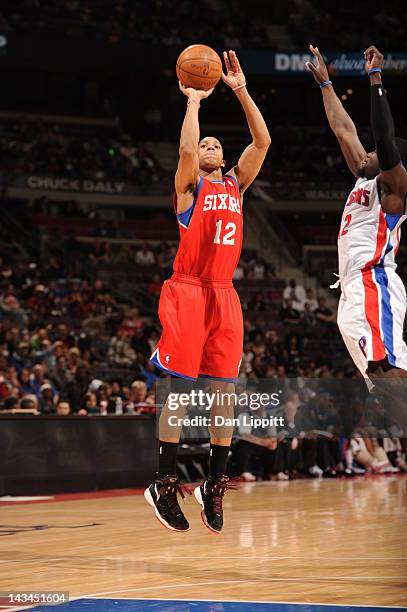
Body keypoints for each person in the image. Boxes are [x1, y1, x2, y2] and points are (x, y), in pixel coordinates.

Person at [145, 50, 270, 533]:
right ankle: (163, 481)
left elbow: (262, 140)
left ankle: (213, 486)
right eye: (206, 145)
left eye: (217, 144)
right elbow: (183, 152)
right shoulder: (188, 190)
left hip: (224, 294)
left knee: (225, 395)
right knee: (178, 392)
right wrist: (194, 101)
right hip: (188, 290)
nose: (211, 146)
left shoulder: (237, 185)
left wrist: (239, 89)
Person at [306, 45, 407, 398]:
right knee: (380, 388)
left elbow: (383, 136)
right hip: (351, 290)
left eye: (375, 152)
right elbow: (343, 130)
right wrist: (326, 86)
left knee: (390, 372)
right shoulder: (364, 179)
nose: (367, 153)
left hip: (373, 280)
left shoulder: (395, 187)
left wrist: (375, 78)